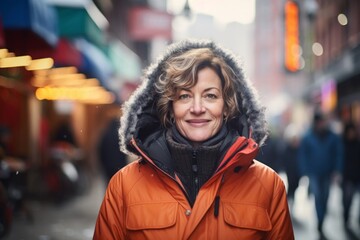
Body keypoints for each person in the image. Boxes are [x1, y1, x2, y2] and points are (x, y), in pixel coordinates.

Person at [93, 39, 294, 239]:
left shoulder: (268, 186)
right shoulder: (125, 186)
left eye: (210, 96)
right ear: (170, 108)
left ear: (227, 106)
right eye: (184, 96)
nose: (197, 108)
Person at [298, 110, 343, 239]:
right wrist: (304, 171)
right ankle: (320, 221)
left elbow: (338, 154)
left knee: (325, 197)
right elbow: (303, 156)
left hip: (328, 172)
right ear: (316, 122)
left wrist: (337, 170)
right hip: (314, 173)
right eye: (319, 121)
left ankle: (321, 219)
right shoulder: (308, 137)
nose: (321, 124)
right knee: (318, 197)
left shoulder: (333, 137)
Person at [341, 122, 360, 229]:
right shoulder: (342, 145)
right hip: (347, 176)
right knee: (347, 200)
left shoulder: (357, 144)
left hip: (357, 176)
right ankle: (346, 217)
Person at [98, 117, 128, 183]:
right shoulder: (121, 134)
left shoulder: (105, 133)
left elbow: (101, 151)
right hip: (119, 166)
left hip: (109, 166)